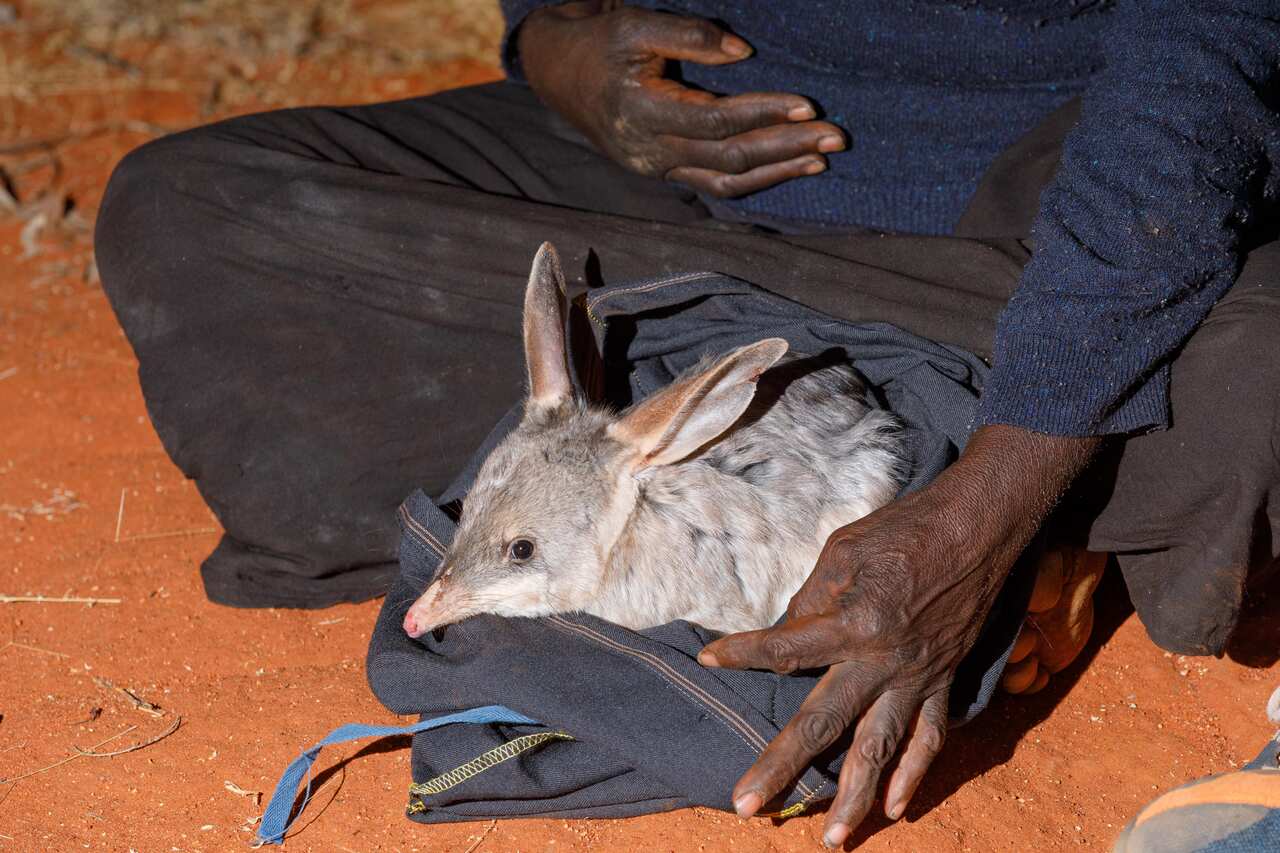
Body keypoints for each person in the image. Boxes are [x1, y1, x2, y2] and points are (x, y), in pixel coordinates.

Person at [94, 0, 1279, 847]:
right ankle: (1056, 500)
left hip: (1027, 226)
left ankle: (1018, 485)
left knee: (1251, 366)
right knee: (190, 213)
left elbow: (1203, 71)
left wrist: (990, 503)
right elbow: (554, 18)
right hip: (672, 200)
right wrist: (554, 47)